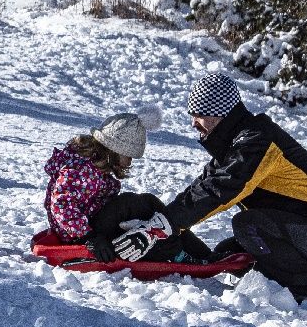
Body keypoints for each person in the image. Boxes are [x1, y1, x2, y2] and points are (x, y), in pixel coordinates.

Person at [113, 72, 307, 309]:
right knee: (227, 254)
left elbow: (219, 190)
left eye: (198, 114)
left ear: (218, 113)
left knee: (248, 225)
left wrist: (159, 229)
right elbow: (200, 189)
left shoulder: (257, 142)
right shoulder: (237, 143)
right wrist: (161, 225)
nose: (193, 123)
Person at [44, 108, 209, 263]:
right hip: (82, 234)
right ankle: (177, 253)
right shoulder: (81, 170)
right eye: (128, 156)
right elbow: (61, 205)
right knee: (130, 203)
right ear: (114, 150)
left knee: (148, 202)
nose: (130, 162)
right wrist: (89, 237)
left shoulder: (92, 167)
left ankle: (202, 253)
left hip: (87, 227)